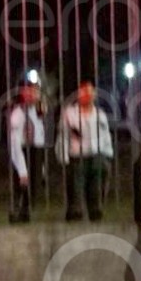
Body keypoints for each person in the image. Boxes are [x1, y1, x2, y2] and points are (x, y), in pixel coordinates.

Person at [56, 80, 114, 221]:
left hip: (96, 154)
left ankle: (96, 211)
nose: (87, 95)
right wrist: (63, 156)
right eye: (84, 92)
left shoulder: (100, 114)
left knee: (97, 186)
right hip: (77, 155)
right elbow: (63, 136)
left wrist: (108, 153)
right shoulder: (70, 113)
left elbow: (106, 135)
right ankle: (75, 213)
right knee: (75, 187)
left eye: (90, 92)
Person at [7, 81, 46, 224]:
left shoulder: (37, 113)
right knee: (21, 183)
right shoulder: (17, 114)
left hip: (35, 150)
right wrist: (22, 170)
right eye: (31, 93)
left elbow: (40, 136)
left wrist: (42, 167)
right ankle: (18, 210)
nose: (35, 96)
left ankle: (27, 211)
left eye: (36, 93)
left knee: (34, 184)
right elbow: (15, 144)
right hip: (23, 151)